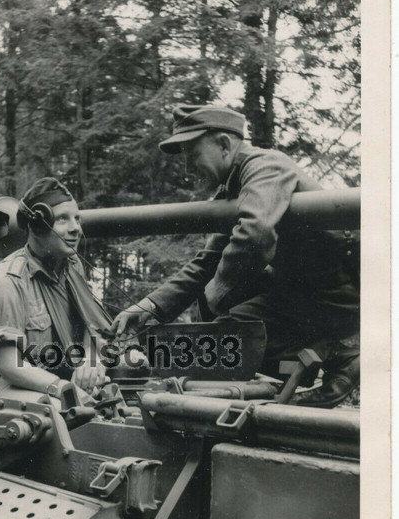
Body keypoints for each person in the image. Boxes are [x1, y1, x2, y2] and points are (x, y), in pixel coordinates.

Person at [109, 105, 360, 407]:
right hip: (301, 298)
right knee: (232, 332)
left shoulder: (264, 165)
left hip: (336, 300)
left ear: (224, 145)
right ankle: (313, 365)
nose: (189, 168)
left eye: (193, 155)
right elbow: (207, 261)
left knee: (235, 334)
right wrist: (149, 306)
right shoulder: (236, 184)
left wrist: (217, 293)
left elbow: (255, 234)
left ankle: (340, 356)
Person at [0, 177, 114, 421]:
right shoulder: (8, 281)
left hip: (56, 377)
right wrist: (63, 388)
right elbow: (10, 366)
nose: (76, 228)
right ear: (37, 226)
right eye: (63, 219)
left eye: (77, 218)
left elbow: (93, 325)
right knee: (58, 412)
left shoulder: (72, 267)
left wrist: (91, 361)